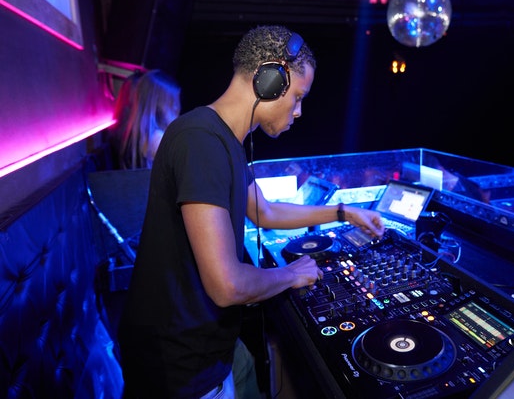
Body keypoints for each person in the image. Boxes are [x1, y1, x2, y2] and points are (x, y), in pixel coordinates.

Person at [117, 25, 386, 399]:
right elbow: (227, 285)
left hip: (214, 347)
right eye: (297, 97)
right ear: (270, 80)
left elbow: (265, 212)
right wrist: (289, 274)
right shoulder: (200, 141)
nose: (299, 111)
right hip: (180, 368)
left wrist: (343, 213)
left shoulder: (222, 139)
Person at [110, 69, 181, 169]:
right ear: (159, 106)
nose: (177, 108)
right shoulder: (157, 139)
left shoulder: (135, 134)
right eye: (173, 103)